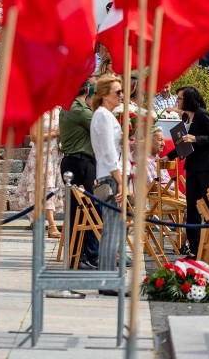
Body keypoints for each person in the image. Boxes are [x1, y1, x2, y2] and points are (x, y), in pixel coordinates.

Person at [164, 86, 209, 258]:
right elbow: (183, 142)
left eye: (180, 98)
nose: (177, 101)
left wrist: (195, 138)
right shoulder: (184, 117)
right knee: (193, 208)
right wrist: (169, 156)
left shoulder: (203, 114)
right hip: (193, 167)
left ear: (189, 99)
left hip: (207, 166)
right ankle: (195, 249)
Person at [90, 75, 126, 291]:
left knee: (115, 229)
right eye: (117, 92)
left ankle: (110, 278)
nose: (121, 95)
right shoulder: (103, 116)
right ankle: (106, 281)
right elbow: (108, 151)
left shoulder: (107, 116)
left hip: (112, 173)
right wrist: (120, 181)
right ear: (105, 95)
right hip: (110, 176)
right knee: (111, 231)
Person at [59, 81, 99, 269]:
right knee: (87, 209)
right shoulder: (79, 109)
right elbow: (101, 127)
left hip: (76, 161)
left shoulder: (73, 106)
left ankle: (80, 255)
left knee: (81, 210)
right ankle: (83, 255)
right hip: (80, 162)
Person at [15, 107, 64, 238]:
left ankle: (40, 220)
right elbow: (34, 136)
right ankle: (52, 225)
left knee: (51, 188)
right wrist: (54, 133)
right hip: (41, 154)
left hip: (55, 155)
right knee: (47, 188)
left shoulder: (59, 110)